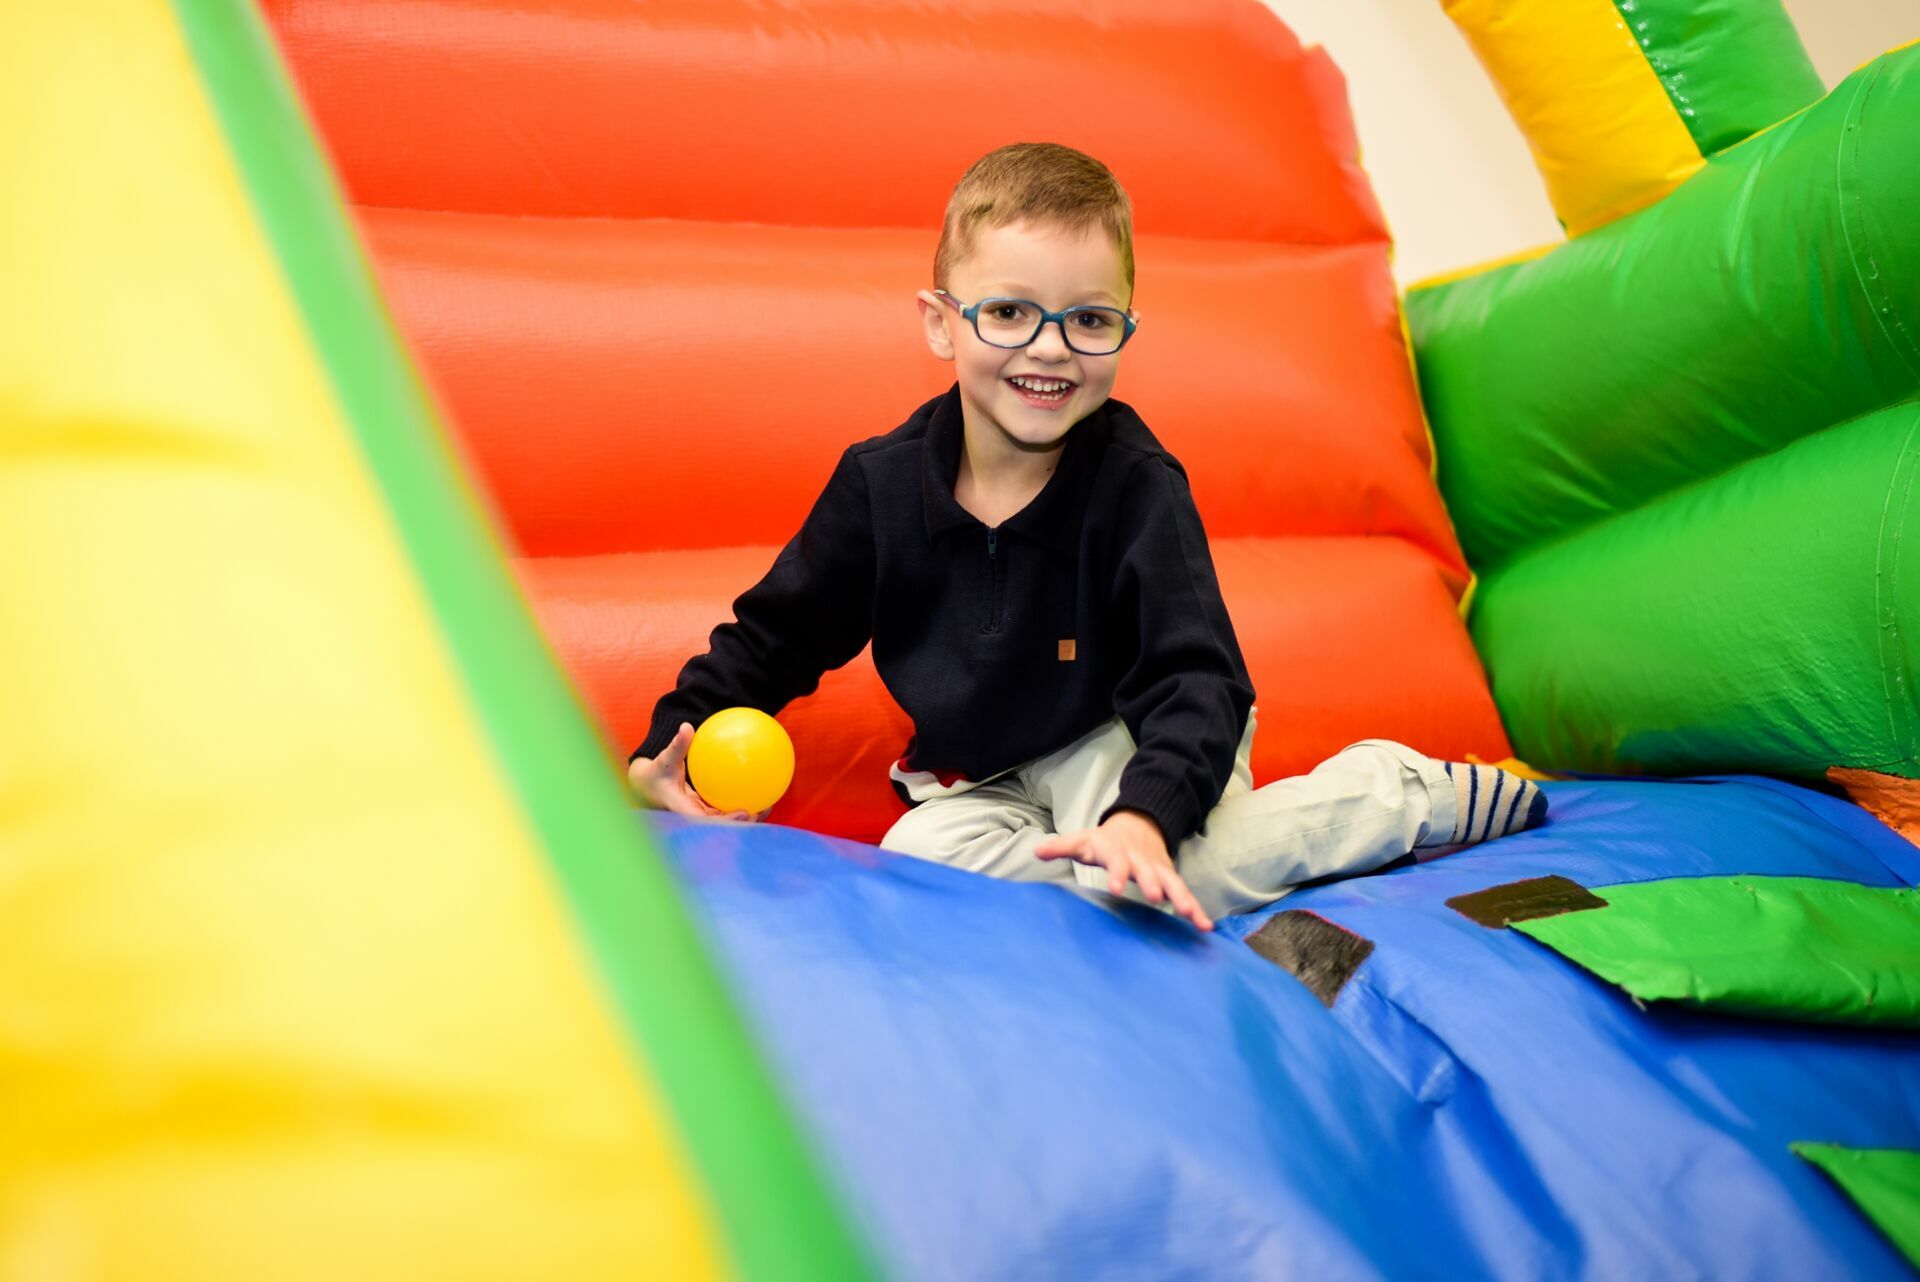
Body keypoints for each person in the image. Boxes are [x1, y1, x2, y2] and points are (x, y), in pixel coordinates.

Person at [627, 142, 1545, 932]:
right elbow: (774, 638)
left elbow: (1198, 679)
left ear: (1123, 330)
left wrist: (1145, 817)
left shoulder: (1135, 485)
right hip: (980, 784)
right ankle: (1106, 873)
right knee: (919, 865)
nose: (1051, 349)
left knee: (1143, 875)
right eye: (1010, 311)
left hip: (1133, 738)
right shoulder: (880, 485)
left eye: (1090, 320)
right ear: (942, 324)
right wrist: (671, 741)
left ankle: (1389, 793)